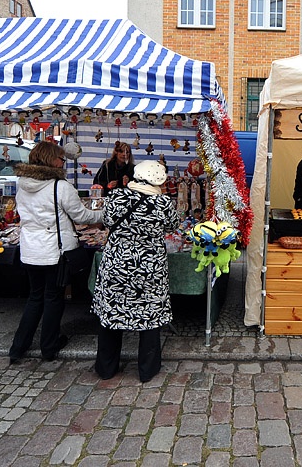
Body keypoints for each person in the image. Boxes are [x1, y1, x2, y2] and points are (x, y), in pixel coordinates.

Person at [9, 141, 103, 364]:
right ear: (51, 160)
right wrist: (103, 216)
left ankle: (18, 347)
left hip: (31, 250)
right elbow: (82, 216)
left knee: (35, 298)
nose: (64, 163)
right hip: (54, 251)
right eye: (61, 159)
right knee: (53, 298)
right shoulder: (60, 187)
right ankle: (49, 346)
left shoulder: (22, 184)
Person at [92, 160, 179, 383]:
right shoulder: (163, 203)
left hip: (117, 265)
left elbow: (107, 221)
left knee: (112, 314)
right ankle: (147, 370)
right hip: (149, 268)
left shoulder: (117, 197)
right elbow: (172, 225)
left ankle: (106, 368)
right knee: (149, 317)